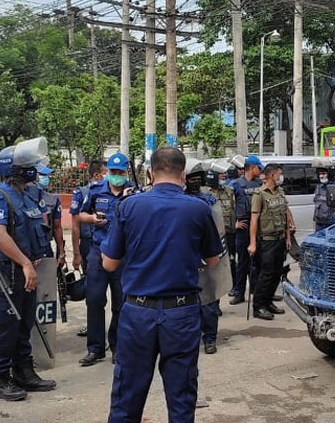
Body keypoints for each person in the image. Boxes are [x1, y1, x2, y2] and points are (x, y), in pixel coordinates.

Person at [101, 147, 222, 422]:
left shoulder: (129, 206)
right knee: (181, 398)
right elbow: (213, 260)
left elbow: (109, 263)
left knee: (126, 397)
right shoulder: (199, 209)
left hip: (137, 313)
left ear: (150, 173)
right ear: (184, 174)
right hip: (182, 314)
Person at [0, 139, 56, 400]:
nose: (34, 168)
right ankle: (2, 380)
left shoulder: (28, 194)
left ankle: (24, 372)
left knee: (24, 323)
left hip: (26, 272)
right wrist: (24, 262)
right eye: (28, 164)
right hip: (6, 273)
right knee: (5, 326)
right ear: (14, 169)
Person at [78, 153, 132, 366]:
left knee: (121, 303)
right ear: (107, 172)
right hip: (98, 251)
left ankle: (118, 347)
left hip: (122, 255)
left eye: (120, 172)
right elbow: (80, 215)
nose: (116, 176)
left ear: (127, 172)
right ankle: (95, 348)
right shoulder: (94, 191)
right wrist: (92, 219)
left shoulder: (134, 193)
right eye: (113, 172)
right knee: (94, 300)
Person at [248, 163, 294, 321]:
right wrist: (252, 243)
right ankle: (258, 306)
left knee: (277, 273)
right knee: (266, 274)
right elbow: (254, 220)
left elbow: (285, 215)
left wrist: (288, 237)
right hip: (266, 241)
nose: (281, 177)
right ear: (272, 176)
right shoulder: (259, 194)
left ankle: (268, 302)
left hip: (280, 238)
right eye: (279, 174)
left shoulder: (280, 192)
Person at [185, 160, 222, 354]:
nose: (196, 181)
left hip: (207, 254)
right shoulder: (179, 200)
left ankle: (210, 338)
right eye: (192, 178)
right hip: (186, 257)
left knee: (209, 301)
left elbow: (218, 228)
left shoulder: (209, 200)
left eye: (198, 178)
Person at [70, 160, 105, 338]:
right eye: (107, 172)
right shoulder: (82, 193)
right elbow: (75, 225)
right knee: (92, 292)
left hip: (110, 245)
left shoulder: (119, 192)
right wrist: (76, 253)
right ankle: (93, 329)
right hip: (89, 245)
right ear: (97, 175)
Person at [229, 155, 264, 306]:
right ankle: (239, 292)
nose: (260, 170)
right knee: (242, 262)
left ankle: (256, 290)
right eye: (258, 167)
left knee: (258, 261)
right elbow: (228, 206)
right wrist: (234, 223)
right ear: (251, 167)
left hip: (257, 226)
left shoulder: (260, 184)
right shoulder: (235, 185)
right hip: (243, 226)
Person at [205, 163, 237, 296]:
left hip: (229, 232)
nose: (223, 176)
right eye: (220, 174)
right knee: (214, 264)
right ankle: (214, 294)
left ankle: (234, 286)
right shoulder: (205, 193)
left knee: (231, 260)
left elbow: (233, 209)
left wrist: (237, 223)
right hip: (213, 235)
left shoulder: (229, 191)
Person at [312, 158, 335, 231]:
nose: (321, 176)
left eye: (324, 173)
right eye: (320, 174)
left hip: (333, 226)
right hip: (320, 225)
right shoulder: (318, 188)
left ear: (330, 174)